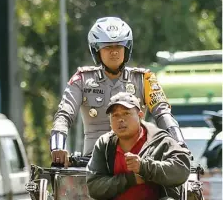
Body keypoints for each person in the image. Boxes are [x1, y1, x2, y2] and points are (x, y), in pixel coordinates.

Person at [51, 16, 187, 167]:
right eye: (107, 47)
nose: (114, 52)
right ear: (96, 50)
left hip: (137, 163)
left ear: (126, 49)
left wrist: (179, 144)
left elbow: (163, 114)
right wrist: (57, 147)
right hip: (93, 164)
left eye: (119, 46)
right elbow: (64, 114)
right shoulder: (81, 79)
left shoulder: (145, 79)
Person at [64, 91, 191, 200]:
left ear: (140, 114)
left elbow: (181, 170)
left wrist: (145, 167)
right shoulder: (105, 144)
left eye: (126, 113)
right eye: (115, 115)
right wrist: (131, 179)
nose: (120, 119)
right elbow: (94, 187)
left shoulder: (161, 140)